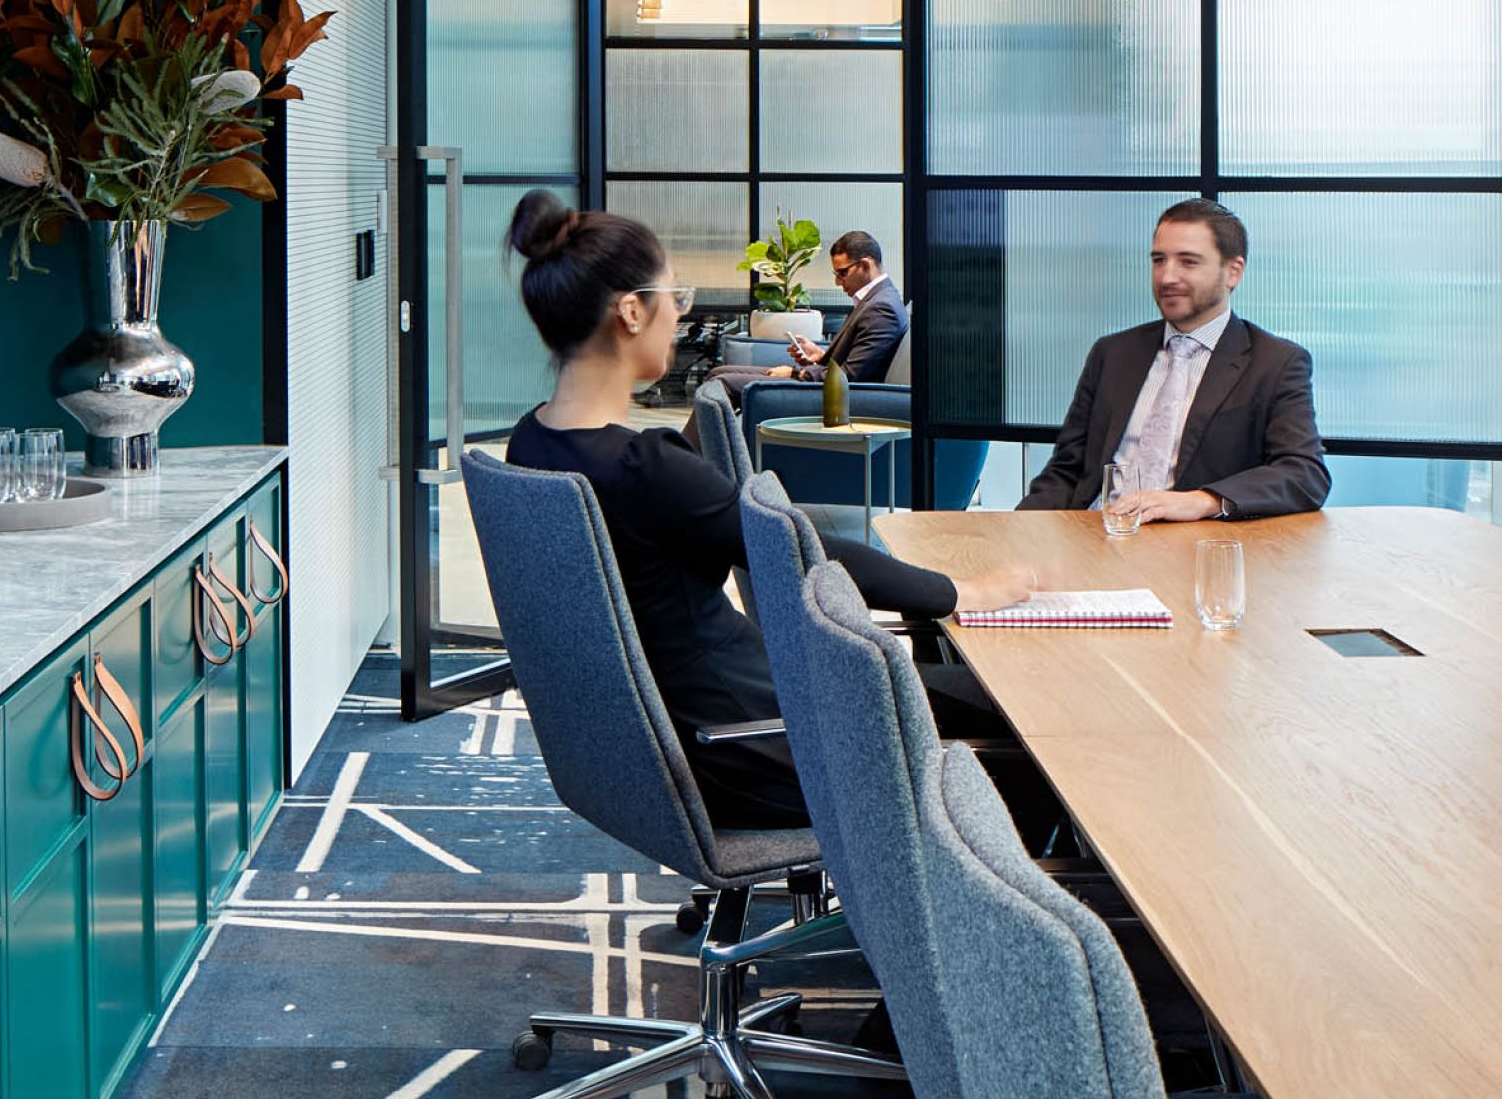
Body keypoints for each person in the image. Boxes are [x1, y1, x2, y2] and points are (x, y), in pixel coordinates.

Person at [504, 192, 1033, 830]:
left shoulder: (528, 442)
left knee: (941, 697)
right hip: (749, 745)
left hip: (670, 740)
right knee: (1021, 744)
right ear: (630, 311)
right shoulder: (645, 467)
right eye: (676, 298)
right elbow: (807, 554)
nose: (679, 315)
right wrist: (963, 592)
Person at [1020, 199, 1329, 520]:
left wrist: (1204, 500)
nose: (1167, 277)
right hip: (1098, 535)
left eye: (1188, 262)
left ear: (1233, 272)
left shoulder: (1275, 362)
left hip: (1195, 548)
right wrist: (1015, 534)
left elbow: (1304, 473)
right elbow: (1066, 471)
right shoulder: (1112, 353)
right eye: (1159, 260)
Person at [683, 231, 908, 443]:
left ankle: (688, 460)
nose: (837, 282)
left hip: (836, 399)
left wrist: (796, 373)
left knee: (723, 383)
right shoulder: (876, 301)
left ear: (865, 265)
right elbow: (854, 361)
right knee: (717, 373)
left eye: (842, 273)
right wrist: (819, 355)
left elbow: (850, 377)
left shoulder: (881, 309)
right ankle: (700, 456)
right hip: (828, 386)